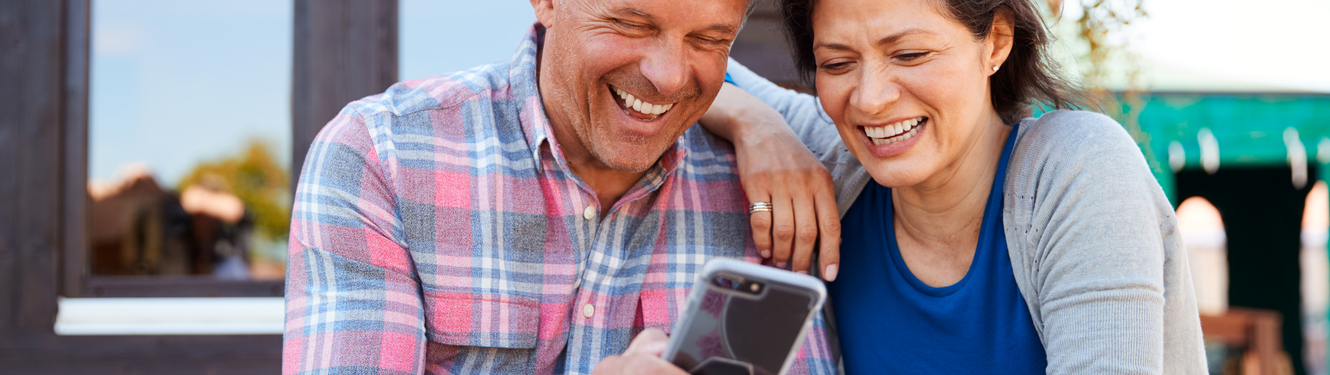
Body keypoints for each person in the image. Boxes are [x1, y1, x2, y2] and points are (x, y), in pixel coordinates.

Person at [280, 0, 839, 374]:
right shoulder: (384, 156)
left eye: (710, 39)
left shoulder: (775, 190)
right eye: (631, 23)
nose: (670, 75)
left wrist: (761, 121)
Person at [700, 0, 1208, 372]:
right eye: (837, 64)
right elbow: (683, 70)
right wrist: (756, 123)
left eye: (911, 54)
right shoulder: (837, 157)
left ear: (997, 42)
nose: (871, 99)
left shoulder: (1077, 167)